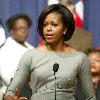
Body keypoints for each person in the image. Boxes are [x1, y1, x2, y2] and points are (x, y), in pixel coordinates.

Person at [4, 4, 96, 100]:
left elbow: (90, 97)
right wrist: (11, 98)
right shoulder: (30, 55)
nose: (48, 29)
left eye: (54, 24)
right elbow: (10, 91)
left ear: (64, 29)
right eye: (45, 25)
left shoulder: (80, 58)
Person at [0, 13, 34, 100]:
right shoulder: (5, 50)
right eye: (20, 28)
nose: (23, 30)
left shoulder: (32, 48)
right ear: (12, 30)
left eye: (26, 28)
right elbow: (8, 77)